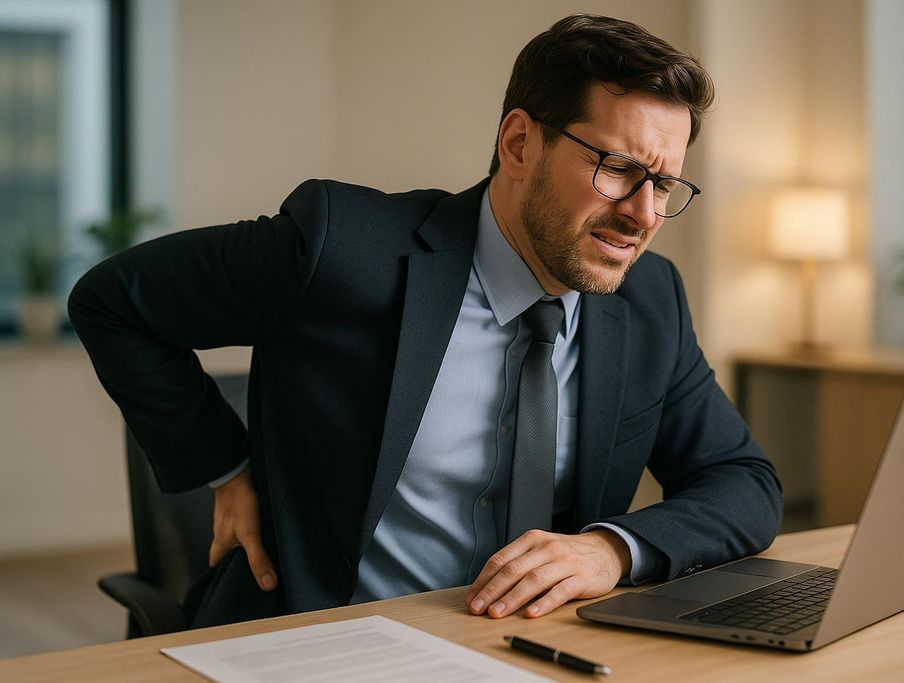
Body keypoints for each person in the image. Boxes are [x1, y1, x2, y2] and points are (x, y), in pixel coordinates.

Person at [69, 14, 782, 628]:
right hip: (324, 644)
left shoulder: (649, 299)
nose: (644, 214)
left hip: (534, 654)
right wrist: (225, 466)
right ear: (519, 144)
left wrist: (609, 548)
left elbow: (743, 482)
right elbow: (113, 300)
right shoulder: (343, 247)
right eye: (620, 168)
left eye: (665, 184)